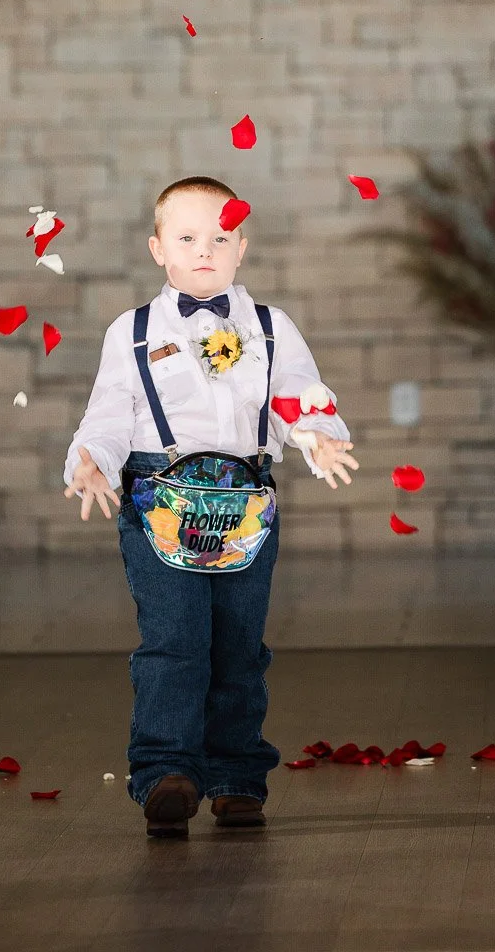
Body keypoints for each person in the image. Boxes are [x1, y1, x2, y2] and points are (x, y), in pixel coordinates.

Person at [63, 175, 359, 838]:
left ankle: (235, 777)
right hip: (159, 498)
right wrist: (92, 459)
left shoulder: (270, 327)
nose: (205, 249)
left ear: (241, 247)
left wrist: (314, 433)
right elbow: (110, 412)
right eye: (187, 238)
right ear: (158, 248)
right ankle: (166, 773)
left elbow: (296, 394)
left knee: (239, 644)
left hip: (244, 501)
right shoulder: (132, 331)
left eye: (220, 238)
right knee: (174, 639)